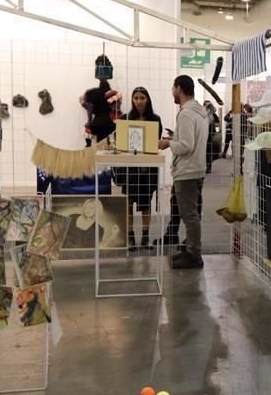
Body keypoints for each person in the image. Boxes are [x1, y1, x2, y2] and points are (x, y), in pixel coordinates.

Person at [159, 75, 208, 270]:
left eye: (173, 88)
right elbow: (191, 141)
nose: (172, 92)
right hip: (196, 169)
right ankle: (191, 249)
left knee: (189, 215)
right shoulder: (199, 112)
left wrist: (168, 143)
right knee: (191, 214)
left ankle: (194, 255)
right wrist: (176, 137)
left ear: (178, 88)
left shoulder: (186, 113)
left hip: (187, 171)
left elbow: (186, 146)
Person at [119, 87, 162, 249]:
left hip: (148, 169)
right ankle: (130, 236)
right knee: (129, 203)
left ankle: (145, 236)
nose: (138, 101)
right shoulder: (125, 118)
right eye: (135, 98)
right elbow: (122, 142)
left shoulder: (155, 119)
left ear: (147, 99)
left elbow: (155, 142)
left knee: (146, 204)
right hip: (130, 169)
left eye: (142, 97)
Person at [80, 55, 119, 144]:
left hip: (104, 123)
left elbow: (115, 110)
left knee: (95, 139)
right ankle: (88, 146)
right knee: (90, 136)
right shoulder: (91, 93)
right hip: (104, 123)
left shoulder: (112, 93)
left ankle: (89, 146)